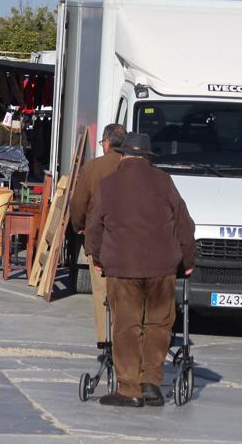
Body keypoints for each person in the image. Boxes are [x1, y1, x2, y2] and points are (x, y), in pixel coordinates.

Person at [85, 132, 196, 408]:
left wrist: (96, 256)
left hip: (122, 268)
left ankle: (129, 389)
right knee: (159, 324)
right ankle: (151, 383)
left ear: (122, 155)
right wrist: (189, 260)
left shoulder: (108, 185)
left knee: (126, 325)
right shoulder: (164, 181)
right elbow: (185, 225)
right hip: (162, 268)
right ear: (148, 157)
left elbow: (93, 226)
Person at [69, 123, 127, 347]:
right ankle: (123, 337)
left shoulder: (93, 167)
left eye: (103, 142)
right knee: (124, 291)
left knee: (101, 290)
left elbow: (78, 203)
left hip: (99, 239)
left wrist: (79, 226)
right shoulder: (132, 166)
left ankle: (104, 339)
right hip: (128, 241)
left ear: (108, 143)